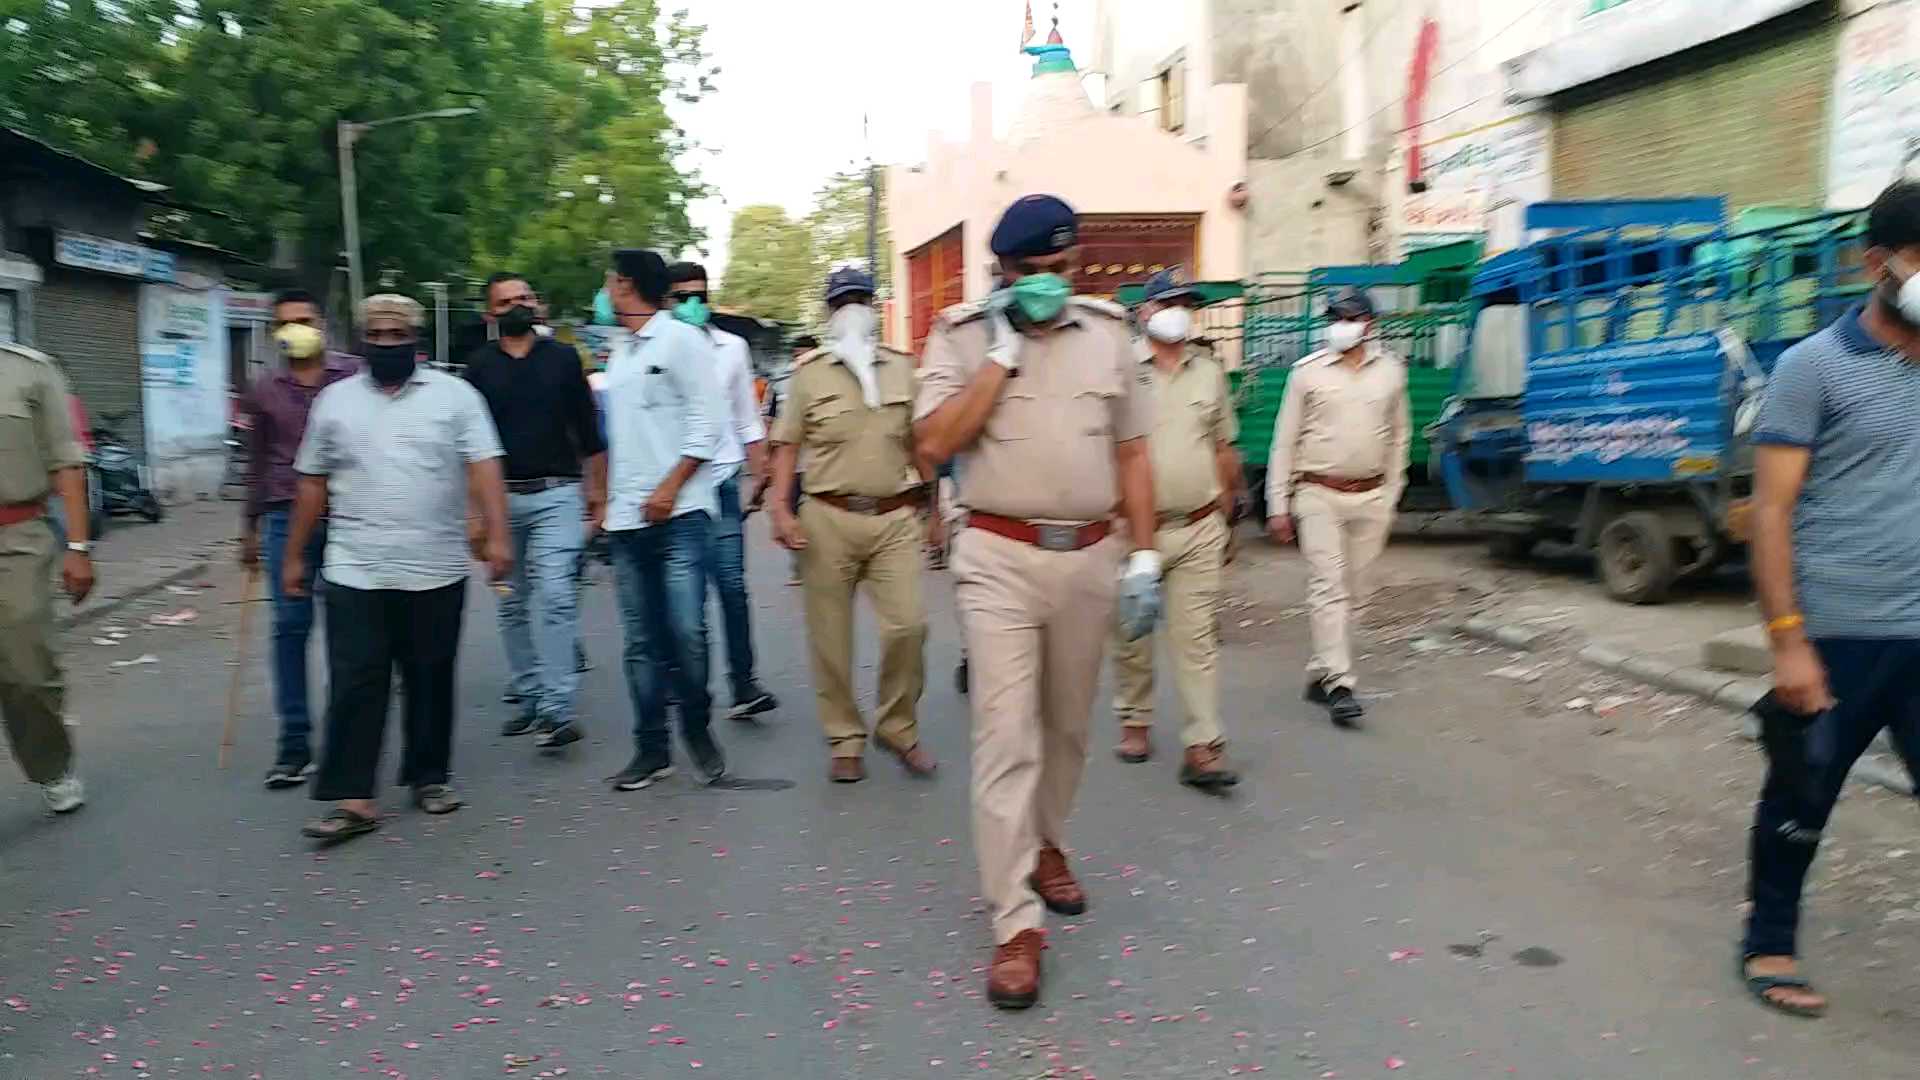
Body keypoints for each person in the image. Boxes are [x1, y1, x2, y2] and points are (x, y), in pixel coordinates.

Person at [915, 194, 1161, 1010]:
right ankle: (1015, 924)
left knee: (1065, 727)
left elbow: (1131, 453)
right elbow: (935, 445)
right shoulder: (960, 337)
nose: (1055, 284)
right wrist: (1002, 355)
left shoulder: (1111, 337)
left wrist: (1147, 555)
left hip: (1091, 557)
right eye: (1038, 273)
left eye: (1065, 269)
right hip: (997, 556)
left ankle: (1048, 842)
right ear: (1005, 273)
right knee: (1005, 733)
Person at [1740, 180, 1920, 1019]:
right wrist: (1787, 640)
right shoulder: (1812, 367)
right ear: (1875, 262)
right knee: (1800, 802)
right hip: (1839, 632)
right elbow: (1771, 509)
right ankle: (1768, 940)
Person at [282, 294, 511, 841]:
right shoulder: (334, 402)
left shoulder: (456, 397)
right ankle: (353, 796)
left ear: (416, 341)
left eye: (397, 336)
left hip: (435, 565)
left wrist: (498, 533)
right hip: (354, 566)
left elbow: (483, 466)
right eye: (377, 337)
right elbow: (312, 481)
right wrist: (293, 554)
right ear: (362, 342)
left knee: (430, 676)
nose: (388, 345)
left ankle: (429, 777)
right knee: (356, 679)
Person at [770, 268, 939, 783]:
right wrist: (779, 507)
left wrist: (936, 509)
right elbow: (786, 445)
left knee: (910, 626)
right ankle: (844, 737)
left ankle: (899, 728)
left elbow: (922, 443)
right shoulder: (808, 374)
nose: (853, 308)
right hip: (828, 517)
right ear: (829, 310)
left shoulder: (904, 369)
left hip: (895, 517)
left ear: (874, 305)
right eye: (843, 300)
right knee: (830, 638)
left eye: (861, 298)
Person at [599, 249, 729, 791]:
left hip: (680, 515)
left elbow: (709, 422)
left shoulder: (681, 340)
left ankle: (696, 725)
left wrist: (670, 487)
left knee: (687, 631)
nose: (603, 292)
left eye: (608, 282)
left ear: (626, 286)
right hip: (627, 519)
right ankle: (651, 748)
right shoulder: (620, 352)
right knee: (639, 641)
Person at [464, 272, 607, 750]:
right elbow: (469, 449)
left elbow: (589, 431)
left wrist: (598, 494)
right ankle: (529, 695)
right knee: (511, 601)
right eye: (506, 302)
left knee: (557, 596)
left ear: (537, 306)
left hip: (557, 495)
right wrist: (477, 516)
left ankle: (557, 708)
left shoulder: (564, 359)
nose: (518, 306)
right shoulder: (479, 368)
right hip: (501, 501)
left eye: (524, 298)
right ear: (491, 315)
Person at [1111, 269, 1242, 788]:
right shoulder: (1122, 373)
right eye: (1170, 302)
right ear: (1145, 312)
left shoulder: (1209, 370)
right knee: (1131, 631)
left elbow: (1223, 445)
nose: (1180, 310)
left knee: (1197, 638)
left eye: (1188, 302)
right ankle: (1135, 718)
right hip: (1132, 529)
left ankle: (1202, 743)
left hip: (1199, 525)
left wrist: (1230, 512)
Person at [1265, 289, 1409, 729]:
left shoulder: (1392, 372)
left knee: (1358, 591)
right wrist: (1278, 503)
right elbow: (1285, 439)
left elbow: (1400, 435)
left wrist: (1391, 491)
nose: (1339, 325)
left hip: (1371, 496)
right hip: (1317, 493)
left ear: (1369, 324)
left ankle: (1320, 670)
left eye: (1348, 317)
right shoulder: (1307, 374)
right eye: (1334, 317)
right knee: (1328, 586)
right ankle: (1341, 685)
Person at [238, 289, 358, 788]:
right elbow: (257, 463)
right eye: (286, 324)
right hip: (287, 515)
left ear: (322, 324)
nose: (297, 330)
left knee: (348, 630)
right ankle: (293, 745)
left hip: (349, 511)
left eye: (305, 320)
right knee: (289, 628)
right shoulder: (263, 389)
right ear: (275, 333)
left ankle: (347, 741)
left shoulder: (355, 376)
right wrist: (248, 529)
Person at [665, 262, 779, 719]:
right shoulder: (656, 349)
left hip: (724, 480)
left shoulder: (732, 348)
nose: (693, 303)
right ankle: (690, 688)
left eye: (700, 294)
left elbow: (746, 418)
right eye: (682, 295)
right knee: (685, 599)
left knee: (731, 586)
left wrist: (763, 475)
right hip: (674, 487)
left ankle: (744, 684)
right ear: (667, 298)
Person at [0, 342, 94, 814]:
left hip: (16, 537)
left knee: (27, 674)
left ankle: (51, 765)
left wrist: (78, 547)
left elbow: (66, 460)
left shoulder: (29, 371)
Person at [771, 334, 818, 587]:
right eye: (798, 355)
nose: (802, 359)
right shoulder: (780, 385)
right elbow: (769, 422)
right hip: (790, 465)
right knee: (791, 513)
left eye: (807, 354)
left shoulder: (833, 382)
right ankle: (799, 564)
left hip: (820, 463)